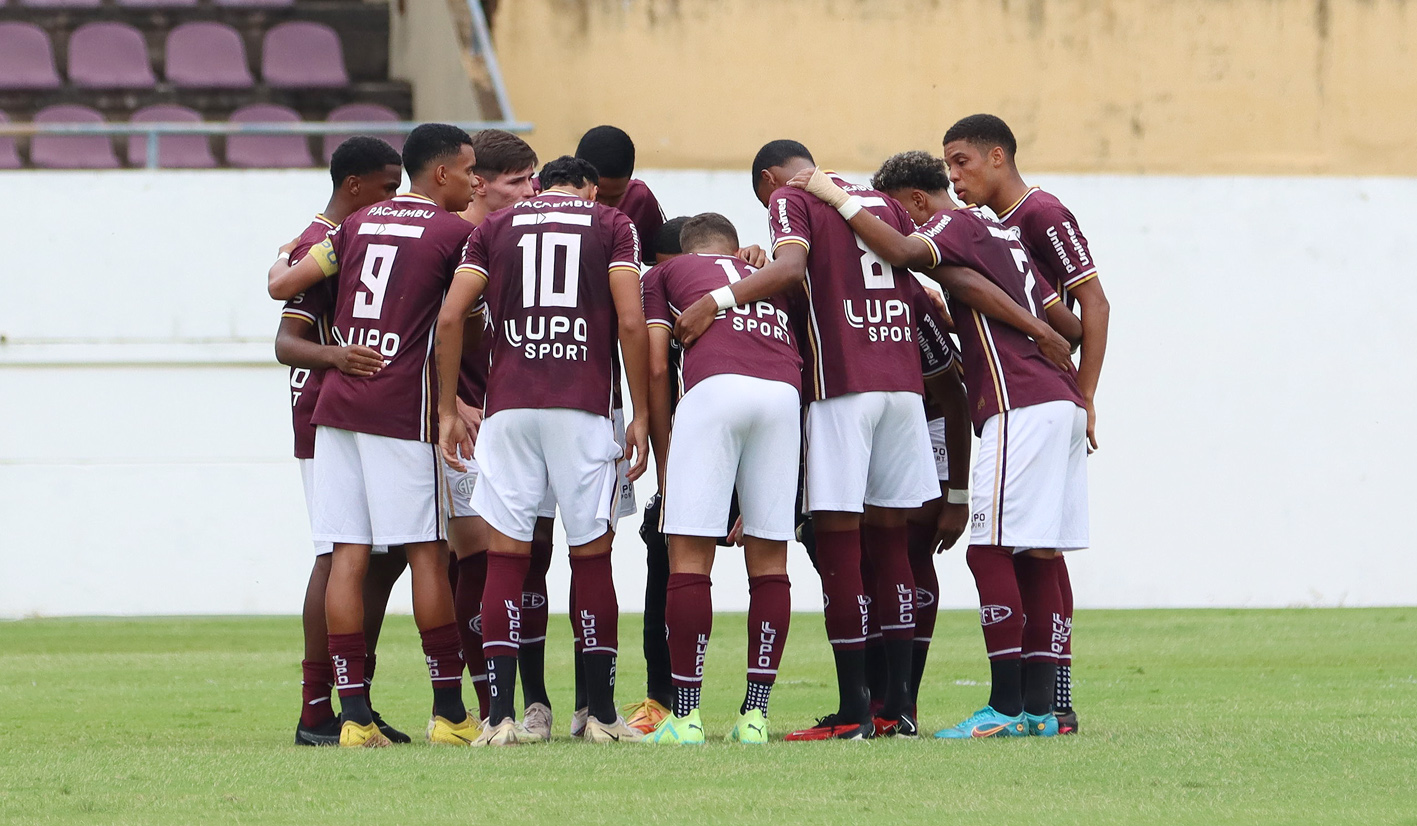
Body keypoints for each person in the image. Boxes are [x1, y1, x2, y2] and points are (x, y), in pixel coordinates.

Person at [789, 153, 1089, 740]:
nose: (885, 227)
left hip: (1018, 400)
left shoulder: (948, 227)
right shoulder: (1003, 235)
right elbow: (1069, 325)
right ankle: (1043, 709)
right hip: (1062, 399)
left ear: (916, 205)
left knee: (989, 552)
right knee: (1040, 554)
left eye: (895, 212)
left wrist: (833, 195)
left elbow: (904, 254)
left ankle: (1005, 710)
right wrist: (1033, 330)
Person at [675, 140, 940, 740]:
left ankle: (853, 714)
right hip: (903, 386)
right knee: (894, 548)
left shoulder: (791, 197)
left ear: (770, 179)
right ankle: (898, 712)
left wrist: (720, 296)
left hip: (845, 385)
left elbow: (792, 269)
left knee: (841, 549)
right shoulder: (882, 202)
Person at [267, 124, 481, 748]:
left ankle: (354, 719)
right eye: (468, 170)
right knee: (425, 553)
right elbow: (453, 321)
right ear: (441, 173)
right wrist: (447, 408)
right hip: (398, 409)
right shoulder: (455, 234)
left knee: (347, 556)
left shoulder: (352, 228)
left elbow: (284, 283)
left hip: (335, 409)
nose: (472, 182)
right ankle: (448, 712)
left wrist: (283, 256)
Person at [436, 155, 651, 746]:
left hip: (509, 410)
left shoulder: (494, 227)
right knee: (591, 556)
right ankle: (602, 717)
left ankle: (501, 717)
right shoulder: (610, 223)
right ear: (586, 188)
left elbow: (452, 316)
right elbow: (631, 322)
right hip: (580, 407)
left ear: (539, 187)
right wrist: (641, 413)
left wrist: (447, 409)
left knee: (507, 556)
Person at [943, 114, 1110, 733]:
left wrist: (1086, 392)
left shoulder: (1039, 214)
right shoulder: (992, 230)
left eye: (962, 162)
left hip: (1031, 399)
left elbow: (1092, 303)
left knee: (1001, 547)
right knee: (1042, 551)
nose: (955, 177)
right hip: (1043, 396)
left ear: (997, 155)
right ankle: (1053, 705)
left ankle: (1016, 704)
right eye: (948, 168)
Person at [639, 213, 800, 745]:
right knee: (771, 562)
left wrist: (665, 452)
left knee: (689, 561)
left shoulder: (665, 274)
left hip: (712, 392)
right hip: (783, 396)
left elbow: (658, 366)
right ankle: (755, 717)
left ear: (685, 250)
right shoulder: (765, 273)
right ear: (736, 249)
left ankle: (685, 718)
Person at [272, 137, 411, 746]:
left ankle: (355, 700)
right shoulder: (320, 243)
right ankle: (315, 709)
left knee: (381, 556)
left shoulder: (359, 237)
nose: (395, 197)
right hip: (324, 415)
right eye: (386, 187)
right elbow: (285, 340)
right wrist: (338, 357)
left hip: (361, 413)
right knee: (337, 555)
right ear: (354, 186)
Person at [444, 128, 548, 738]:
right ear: (478, 183)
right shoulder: (461, 239)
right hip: (472, 422)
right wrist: (453, 402)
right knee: (479, 559)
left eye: (533, 178)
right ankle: (490, 701)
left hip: (520, 415)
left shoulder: (525, 237)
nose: (531, 191)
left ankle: (532, 698)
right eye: (517, 181)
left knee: (531, 555)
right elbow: (434, 325)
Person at [623, 215, 692, 733]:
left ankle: (871, 697)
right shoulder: (652, 296)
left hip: (753, 445)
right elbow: (655, 380)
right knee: (662, 549)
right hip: (689, 453)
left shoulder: (741, 289)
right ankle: (660, 699)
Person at [575, 125, 664, 263]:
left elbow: (662, 260)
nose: (604, 207)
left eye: (615, 199)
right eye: (598, 196)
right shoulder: (540, 195)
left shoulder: (639, 198)